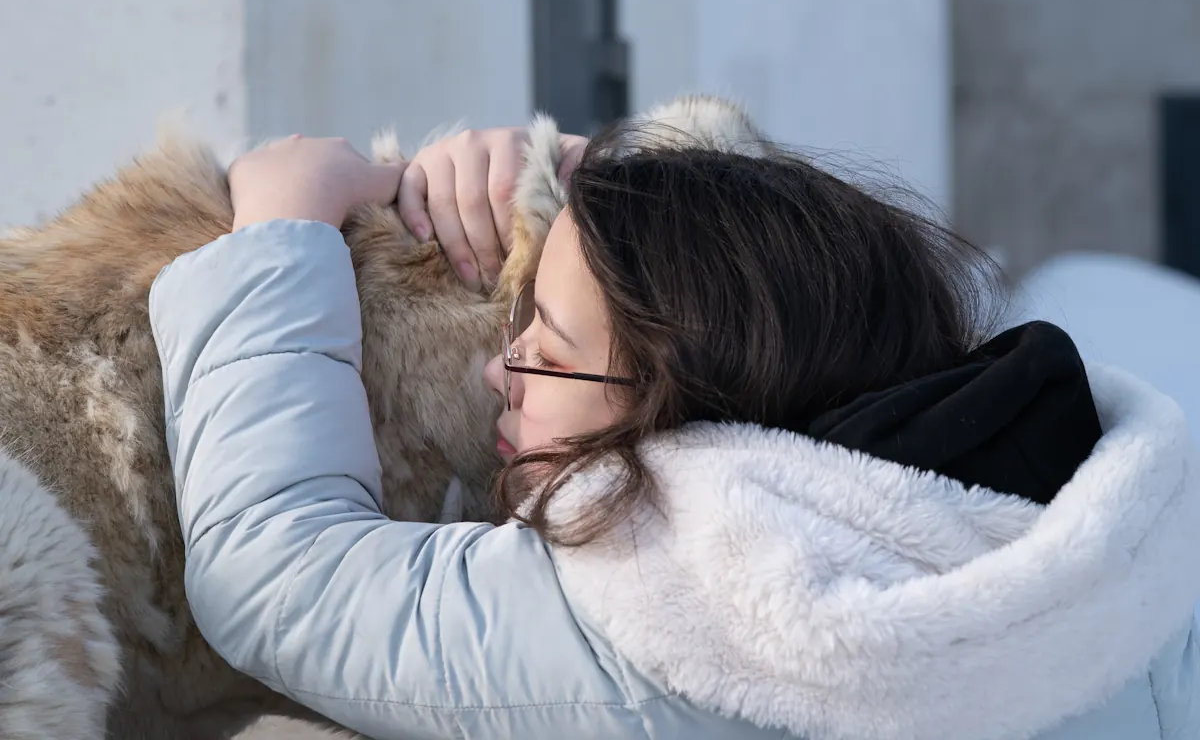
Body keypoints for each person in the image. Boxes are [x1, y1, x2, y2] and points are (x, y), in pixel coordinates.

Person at [149, 119, 1200, 740]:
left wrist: (281, 224)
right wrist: (563, 175)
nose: (496, 368)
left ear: (685, 401)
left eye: (548, 350)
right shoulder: (1101, 544)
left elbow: (280, 581)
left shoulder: (690, 608)